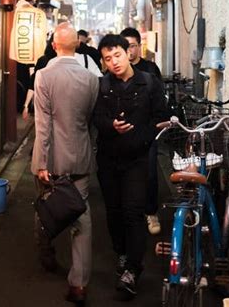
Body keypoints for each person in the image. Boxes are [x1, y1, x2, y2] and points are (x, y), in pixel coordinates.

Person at [93, 34, 167, 299]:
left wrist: (142, 136)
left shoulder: (149, 83)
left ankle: (133, 270)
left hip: (138, 159)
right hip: (108, 159)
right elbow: (96, 118)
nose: (114, 62)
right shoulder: (102, 86)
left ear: (128, 53)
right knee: (113, 211)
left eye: (117, 55)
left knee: (133, 211)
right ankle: (122, 254)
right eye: (108, 58)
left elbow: (161, 117)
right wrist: (110, 125)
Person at [31, 23, 99, 305]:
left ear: (54, 45)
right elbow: (92, 120)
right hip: (81, 155)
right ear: (77, 45)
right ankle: (79, 283)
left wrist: (41, 161)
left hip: (53, 158)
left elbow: (43, 124)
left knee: (47, 207)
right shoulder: (91, 78)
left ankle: (47, 255)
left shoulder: (44, 76)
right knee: (81, 217)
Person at [120, 27, 163, 236]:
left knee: (150, 173)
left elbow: (160, 100)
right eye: (125, 46)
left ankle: (151, 212)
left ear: (139, 46)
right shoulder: (117, 70)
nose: (130, 50)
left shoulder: (150, 69)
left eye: (133, 46)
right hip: (123, 133)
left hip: (147, 131)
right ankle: (129, 215)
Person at [22, 35, 101, 120]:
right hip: (81, 112)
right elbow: (99, 82)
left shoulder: (47, 61)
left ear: (53, 44)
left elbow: (34, 86)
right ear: (77, 43)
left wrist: (27, 106)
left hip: (56, 113)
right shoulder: (85, 59)